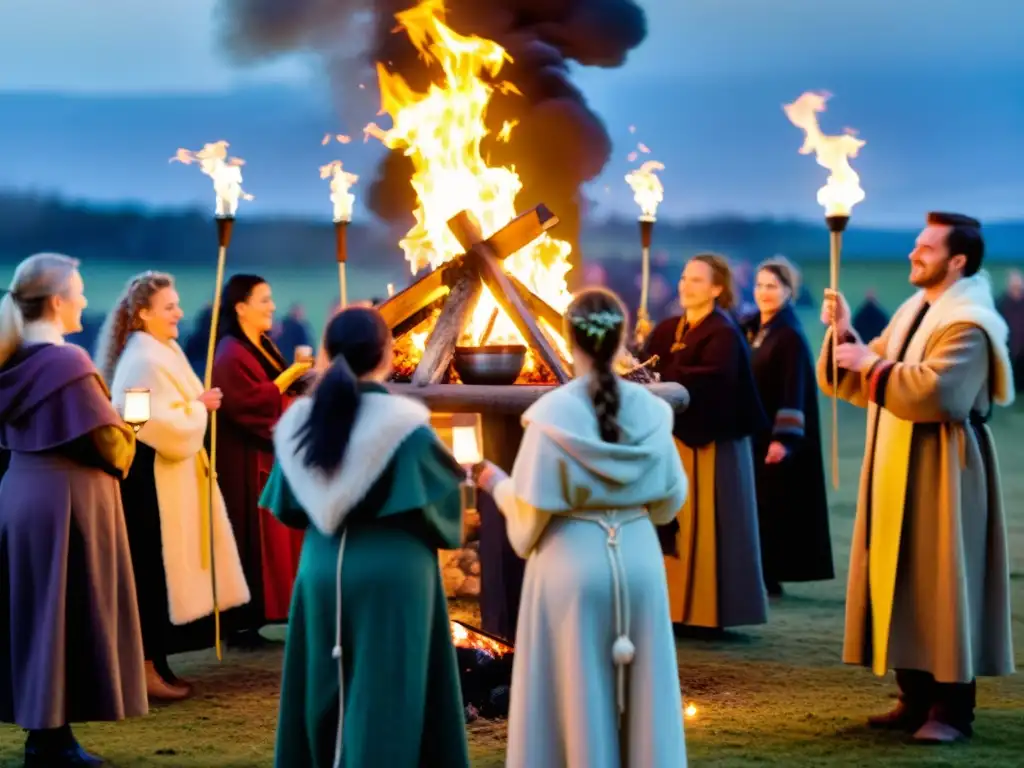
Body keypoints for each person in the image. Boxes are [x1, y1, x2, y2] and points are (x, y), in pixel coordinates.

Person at [473, 288, 690, 768]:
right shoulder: (654, 412)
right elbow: (671, 501)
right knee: (643, 700)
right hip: (636, 558)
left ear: (569, 340)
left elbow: (528, 522)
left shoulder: (550, 416)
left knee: (571, 700)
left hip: (569, 567)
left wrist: (496, 483)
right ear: (621, 340)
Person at [819, 212, 1015, 743]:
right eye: (914, 244)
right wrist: (844, 337)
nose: (913, 253)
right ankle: (914, 698)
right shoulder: (913, 311)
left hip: (946, 468)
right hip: (895, 458)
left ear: (957, 261)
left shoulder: (969, 320)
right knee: (903, 578)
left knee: (943, 582)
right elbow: (866, 369)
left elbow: (940, 394)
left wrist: (866, 362)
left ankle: (951, 711)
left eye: (925, 248)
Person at [260, 306, 470, 768]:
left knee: (319, 692)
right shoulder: (406, 427)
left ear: (326, 355)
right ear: (388, 356)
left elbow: (289, 509)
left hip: (320, 571)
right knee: (388, 703)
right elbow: (447, 516)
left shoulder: (300, 423)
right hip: (395, 577)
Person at [0, 253, 147, 766]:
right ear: (58, 301)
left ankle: (46, 734)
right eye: (79, 290)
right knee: (58, 616)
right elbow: (109, 444)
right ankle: (50, 742)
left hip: (24, 495)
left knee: (36, 617)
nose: (85, 298)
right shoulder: (68, 363)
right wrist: (128, 428)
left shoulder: (13, 360)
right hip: (63, 504)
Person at [96, 271, 251, 700]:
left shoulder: (163, 350)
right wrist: (198, 409)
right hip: (150, 481)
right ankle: (146, 669)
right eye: (169, 307)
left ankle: (158, 665)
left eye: (177, 304)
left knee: (161, 576)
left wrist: (195, 406)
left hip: (169, 477)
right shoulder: (144, 358)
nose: (179, 312)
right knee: (150, 576)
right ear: (144, 314)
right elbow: (141, 421)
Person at [642, 253, 769, 632]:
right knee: (671, 521)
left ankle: (706, 610)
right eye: (683, 278)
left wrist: (663, 375)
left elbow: (713, 382)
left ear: (717, 289)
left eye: (697, 280)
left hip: (712, 444)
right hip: (671, 442)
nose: (685, 285)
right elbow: (648, 367)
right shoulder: (667, 328)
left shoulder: (724, 333)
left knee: (705, 522)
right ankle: (672, 606)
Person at [212, 274, 312, 646]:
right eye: (264, 300)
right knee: (254, 542)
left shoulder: (262, 344)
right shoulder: (230, 353)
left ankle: (273, 613)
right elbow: (251, 403)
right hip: (247, 462)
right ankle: (244, 623)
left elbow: (273, 390)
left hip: (271, 457)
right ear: (240, 307)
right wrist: (290, 395)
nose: (272, 306)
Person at [742, 257, 833, 596]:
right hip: (754, 429)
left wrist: (784, 438)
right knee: (756, 502)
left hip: (774, 435)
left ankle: (770, 574)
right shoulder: (754, 327)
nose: (764, 293)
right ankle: (758, 570)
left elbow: (794, 388)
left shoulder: (788, 334)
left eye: (772, 286)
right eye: (760, 285)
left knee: (772, 505)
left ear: (788, 291)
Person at [996, 269, 1024, 391]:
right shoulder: (1000, 304)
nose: (1016, 290)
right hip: (1007, 354)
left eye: (1019, 287)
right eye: (1014, 287)